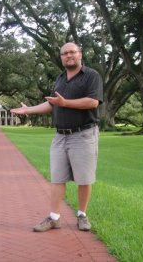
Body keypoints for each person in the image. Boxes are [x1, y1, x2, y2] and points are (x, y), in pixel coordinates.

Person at [10, 42, 103, 232]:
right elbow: (52, 105)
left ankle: (82, 215)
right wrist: (29, 110)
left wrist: (65, 102)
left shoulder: (91, 76)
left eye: (72, 52)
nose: (69, 56)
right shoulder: (60, 79)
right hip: (60, 136)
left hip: (83, 134)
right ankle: (54, 218)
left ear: (80, 54)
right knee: (57, 178)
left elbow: (93, 102)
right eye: (64, 53)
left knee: (84, 179)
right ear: (61, 57)